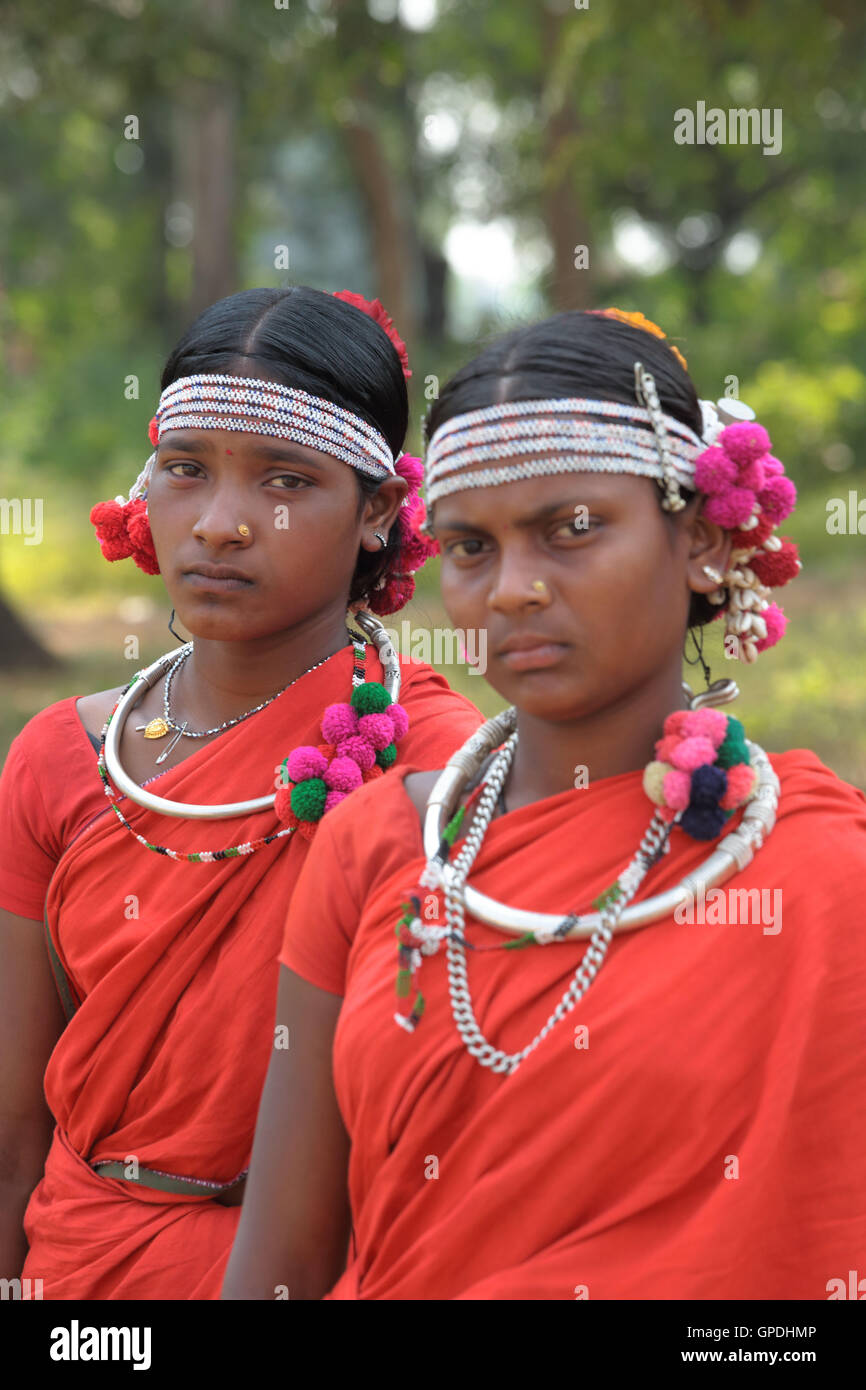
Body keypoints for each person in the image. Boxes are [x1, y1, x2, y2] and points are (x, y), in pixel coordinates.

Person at [222, 307, 866, 1300]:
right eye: (471, 548)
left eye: (569, 528)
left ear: (699, 541)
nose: (511, 589)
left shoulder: (816, 873)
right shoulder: (378, 842)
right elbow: (280, 1265)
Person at [0, 284, 484, 1300]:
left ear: (379, 513)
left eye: (283, 480)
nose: (219, 524)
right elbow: (10, 1125)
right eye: (185, 471)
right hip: (72, 1268)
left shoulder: (440, 770)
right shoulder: (61, 756)